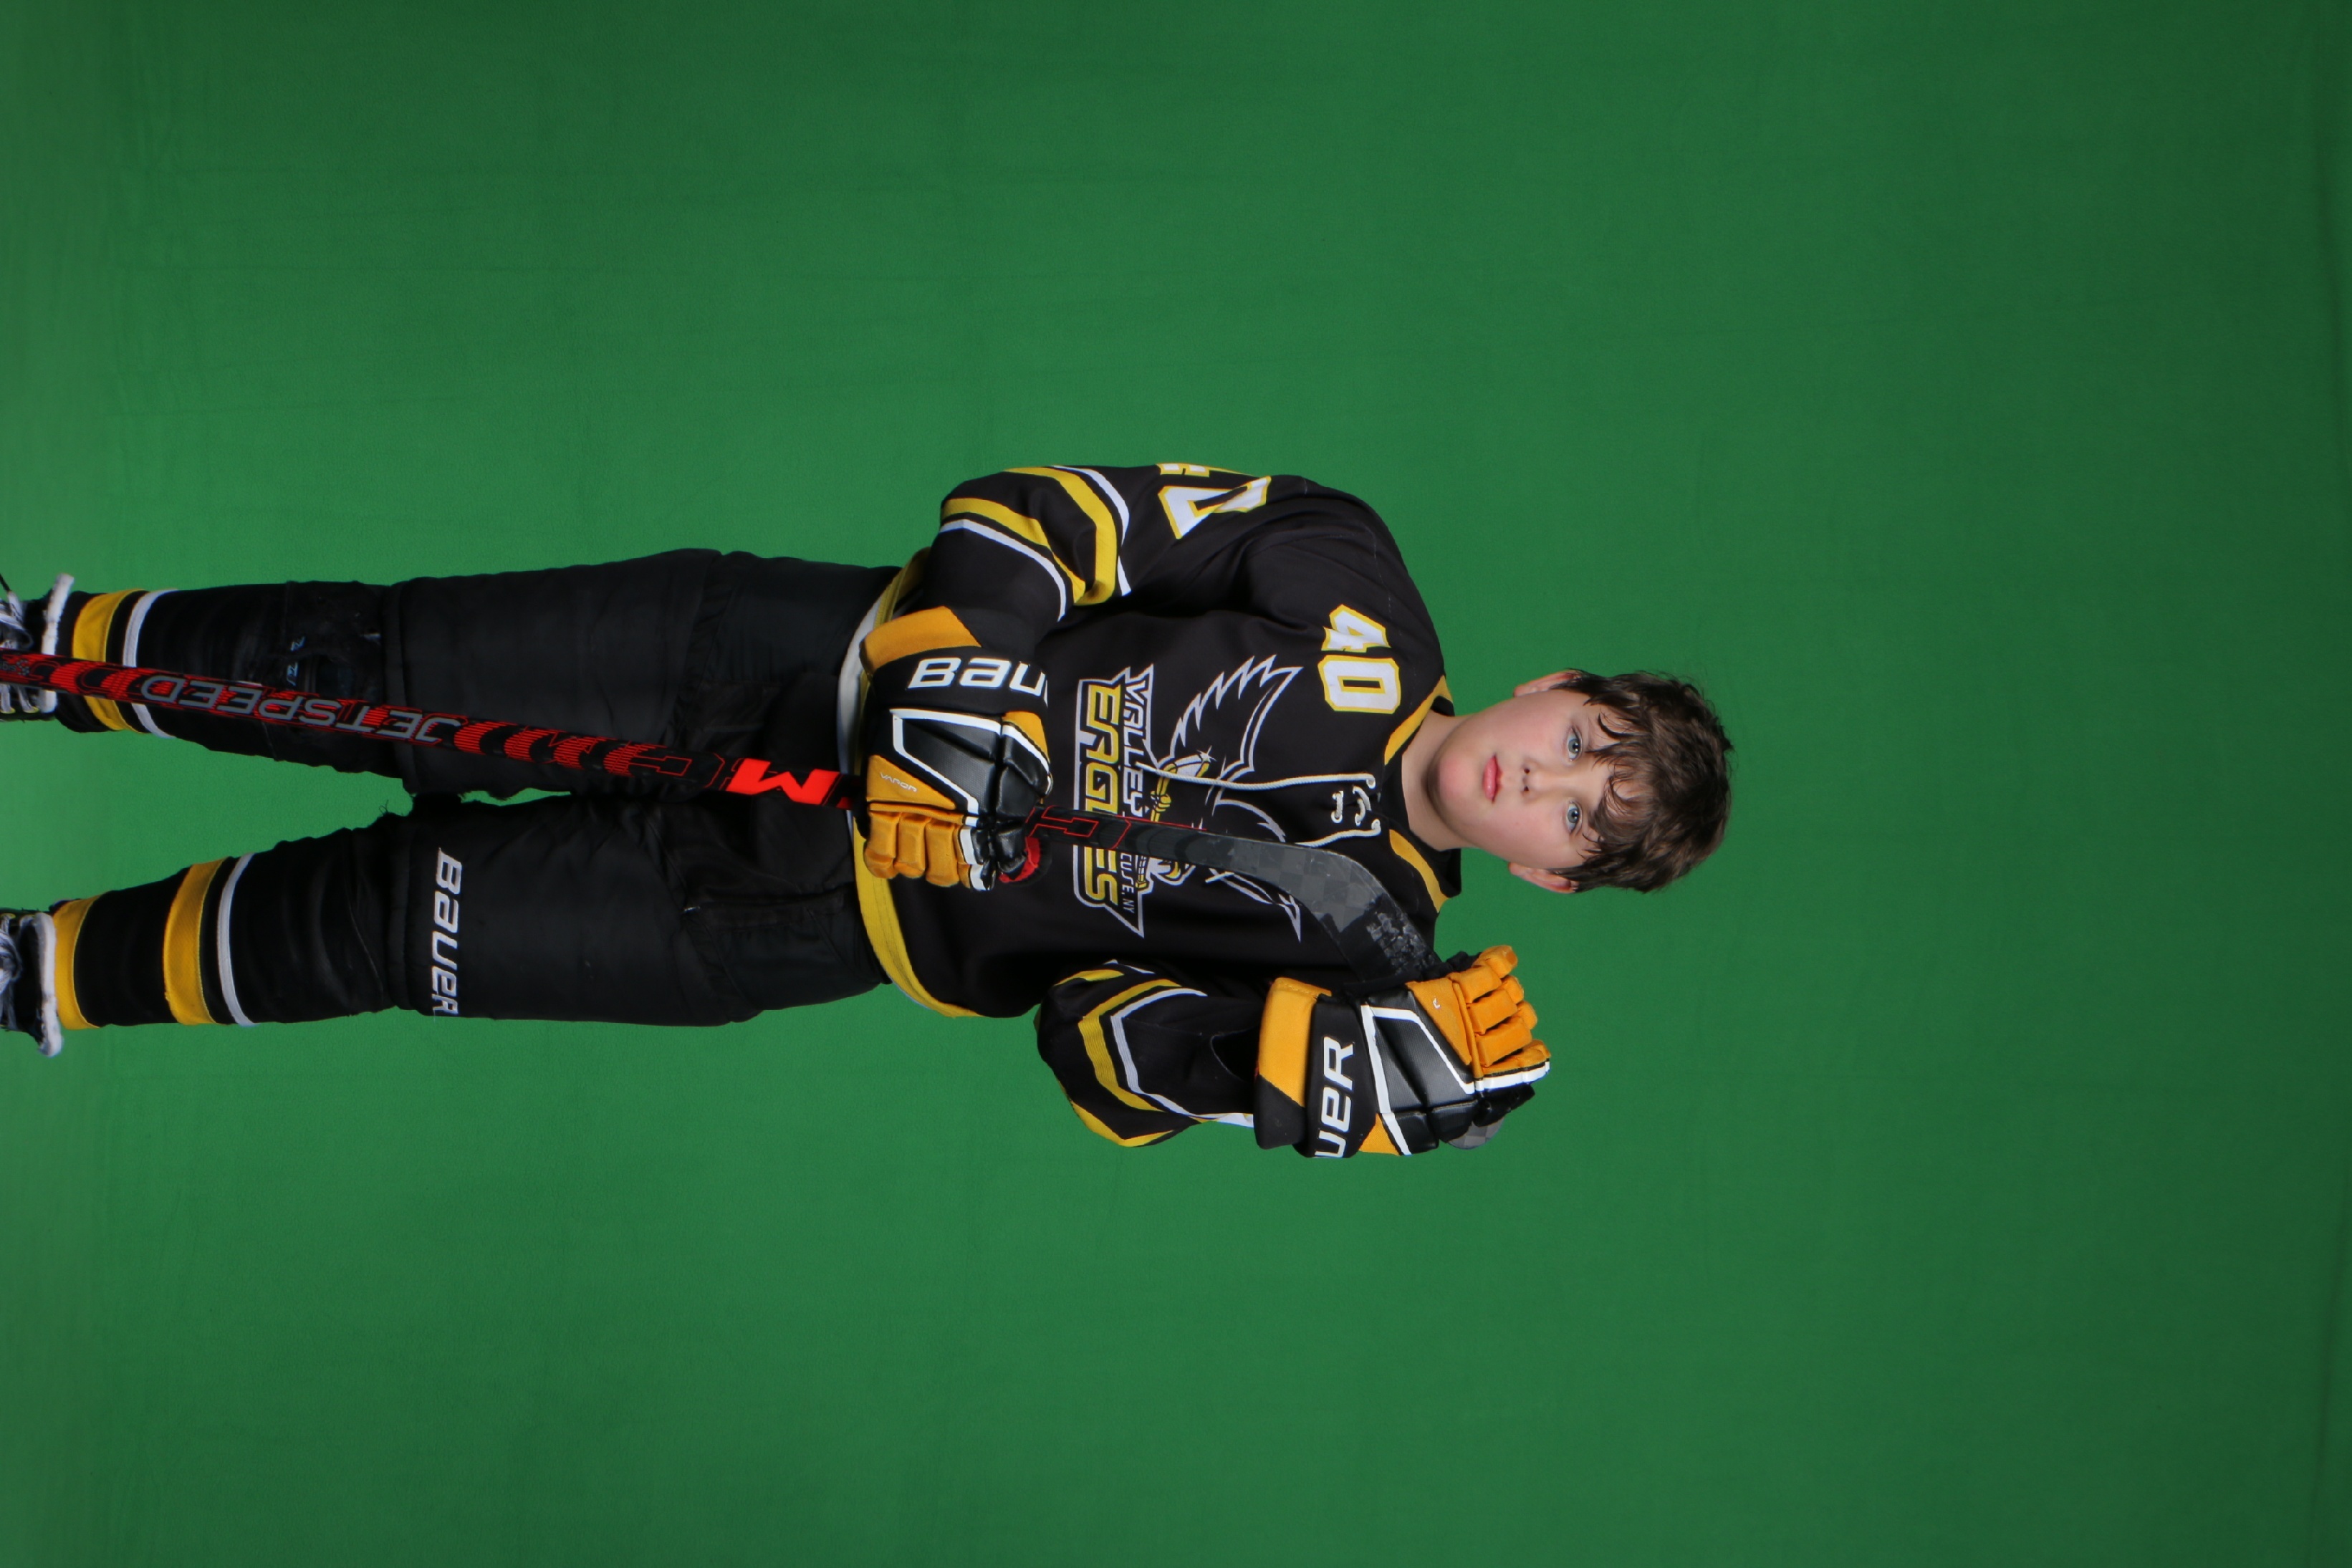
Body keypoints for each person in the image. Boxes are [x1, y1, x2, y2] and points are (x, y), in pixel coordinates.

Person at [0, 463, 1732, 1158]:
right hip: (765, 659)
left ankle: (40, 972)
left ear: (1553, 883)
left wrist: (1270, 1073)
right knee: (375, 665)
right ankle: (44, 651)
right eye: (1585, 739)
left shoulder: (1371, 963)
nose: (1549, 781)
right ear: (1550, 682)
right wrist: (964, 669)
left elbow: (1093, 1046)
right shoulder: (1349, 572)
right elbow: (1047, 511)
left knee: (382, 930)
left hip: (789, 915)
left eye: (1589, 819)